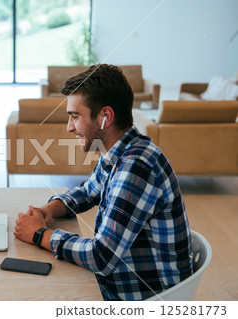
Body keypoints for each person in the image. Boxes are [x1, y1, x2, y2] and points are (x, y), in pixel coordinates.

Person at [14, 64, 193, 301]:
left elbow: (101, 257)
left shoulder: (137, 166)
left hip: (142, 296)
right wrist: (47, 210)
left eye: (75, 117)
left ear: (105, 117)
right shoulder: (122, 150)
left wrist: (39, 235)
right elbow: (88, 191)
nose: (69, 127)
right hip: (122, 280)